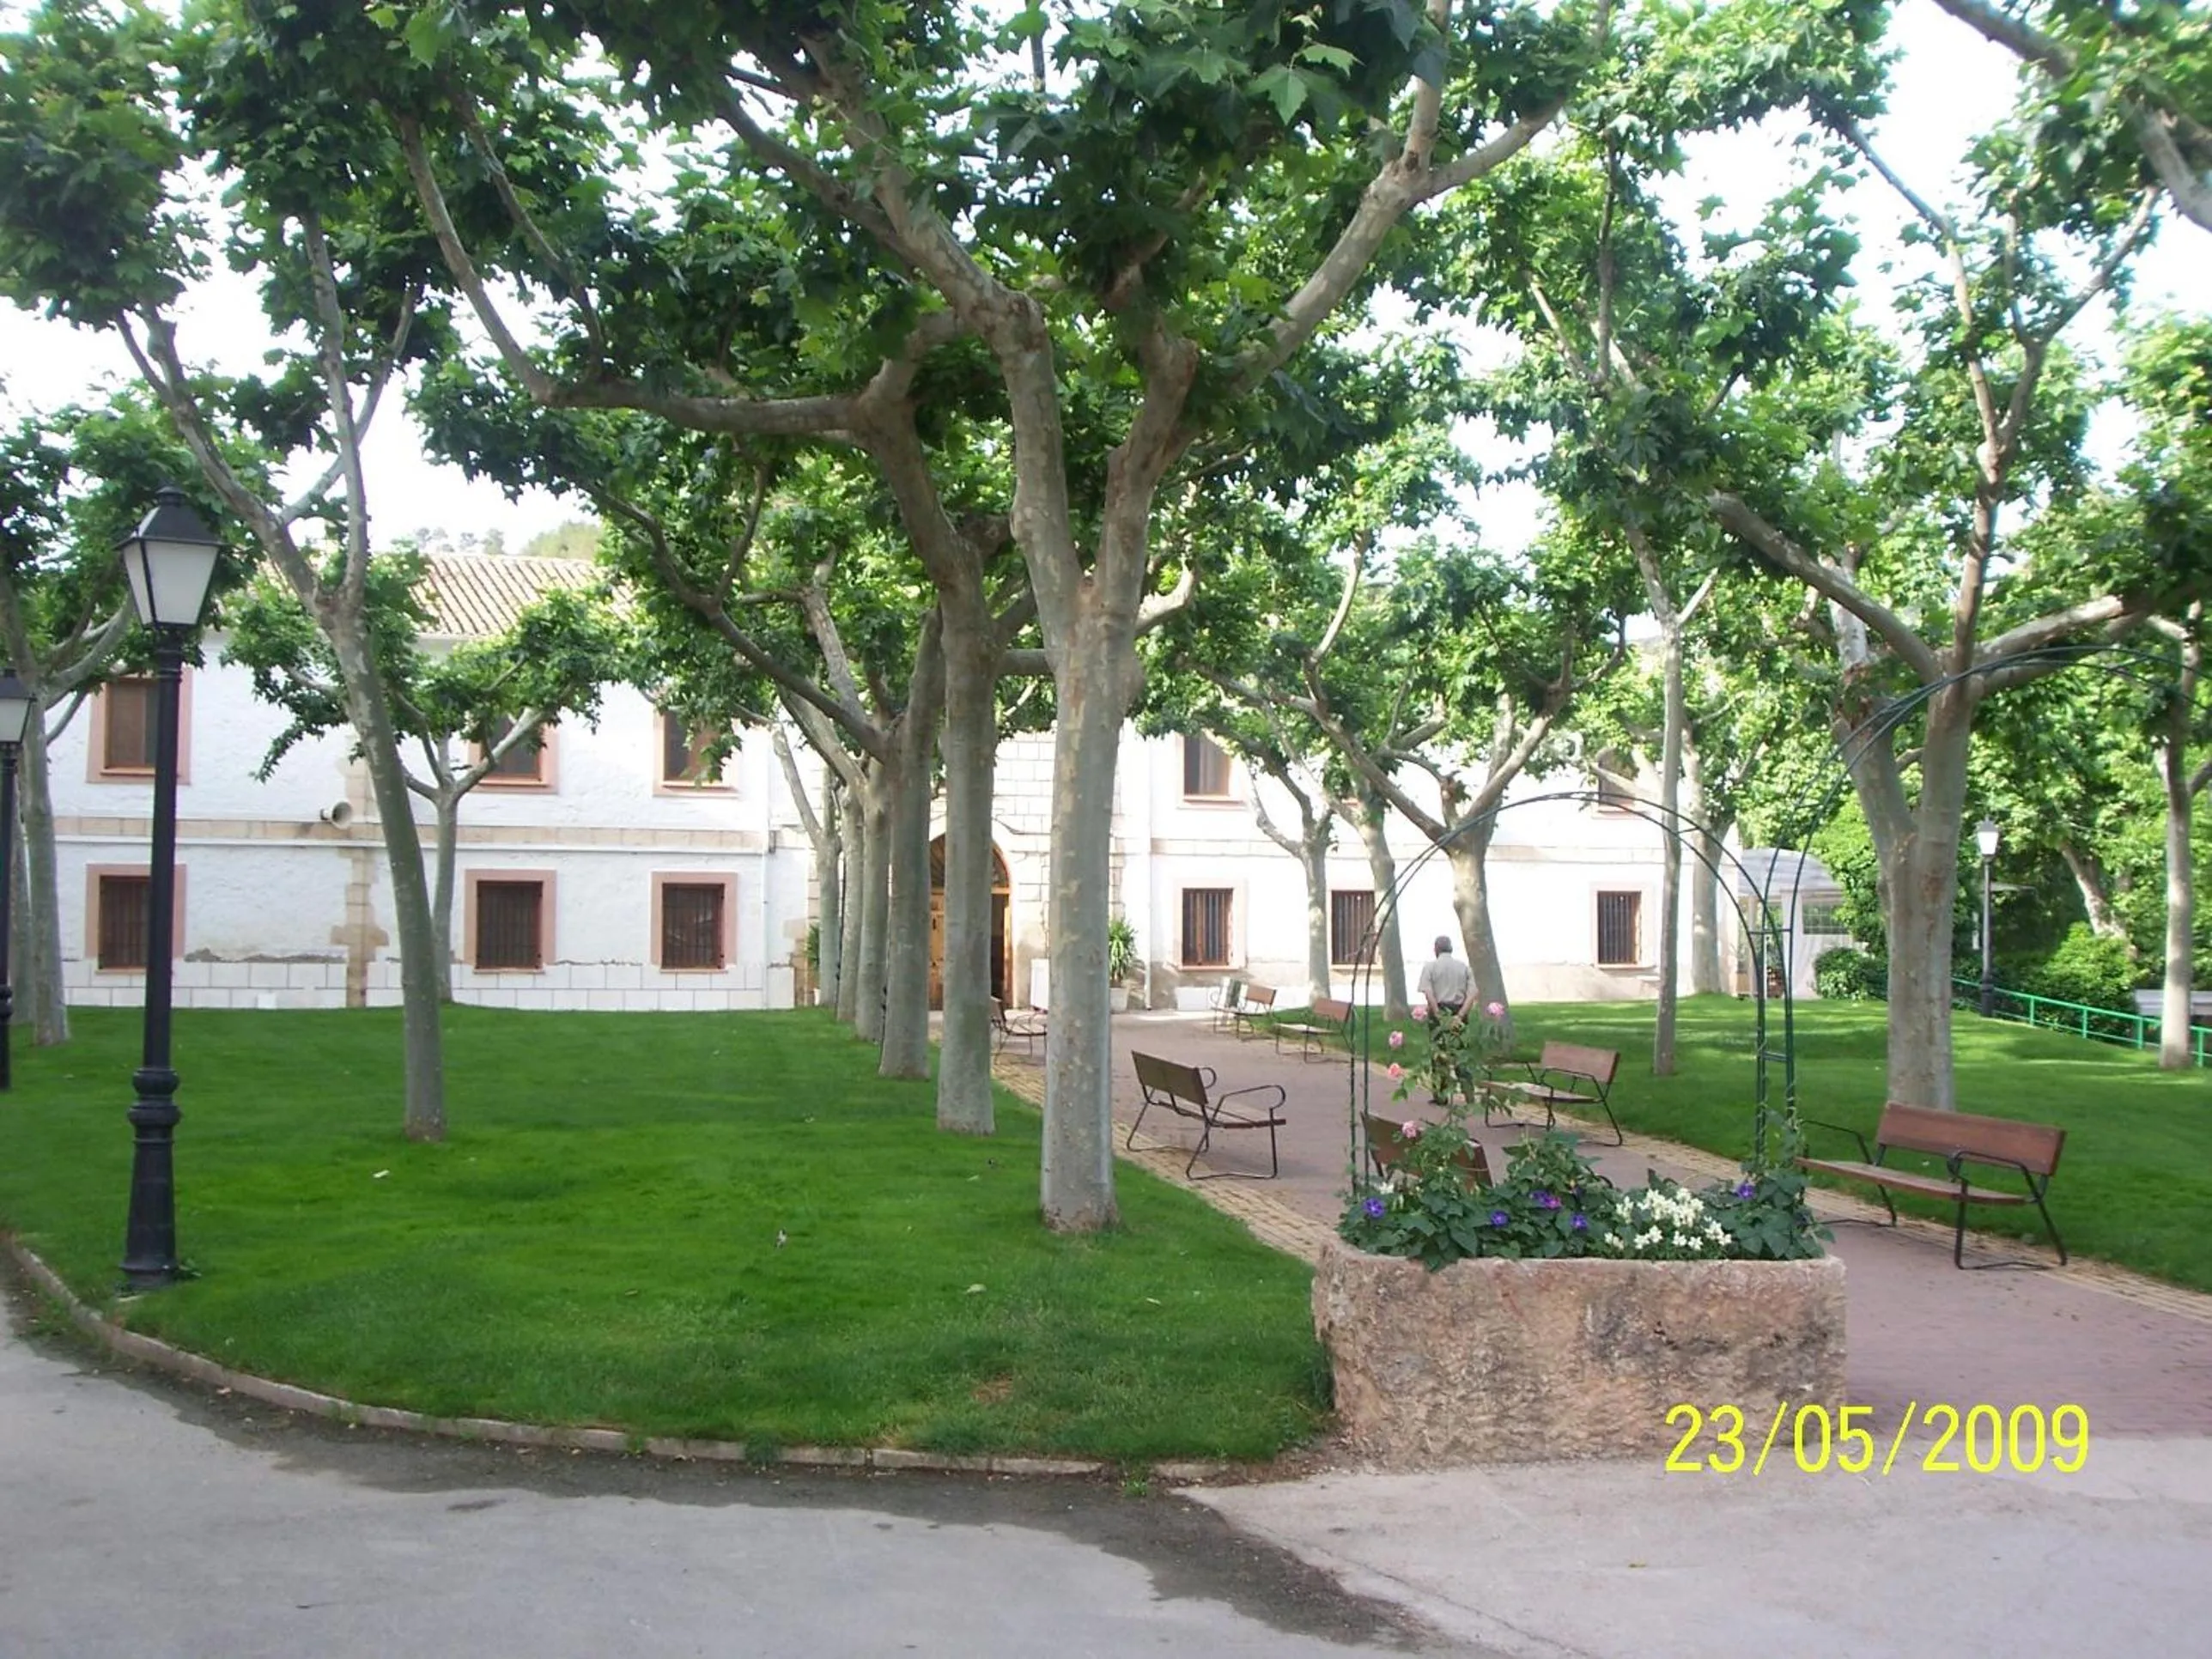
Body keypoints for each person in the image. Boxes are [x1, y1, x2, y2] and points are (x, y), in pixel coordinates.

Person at [1414, 937, 1474, 1103]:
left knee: (1439, 1055)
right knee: (1461, 1053)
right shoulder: (1463, 967)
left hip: (1439, 1009)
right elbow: (1473, 993)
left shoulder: (1430, 967)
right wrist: (1460, 1015)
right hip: (1459, 1011)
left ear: (1436, 949)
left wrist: (1438, 1014)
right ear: (1451, 948)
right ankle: (1469, 1094)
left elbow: (1428, 993)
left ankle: (1441, 1095)